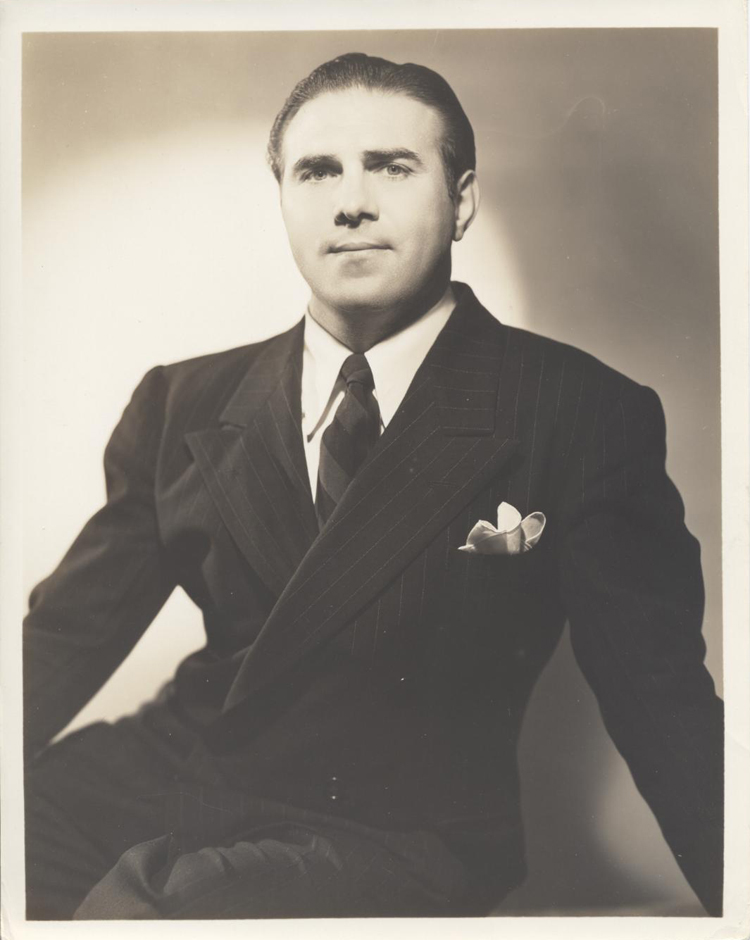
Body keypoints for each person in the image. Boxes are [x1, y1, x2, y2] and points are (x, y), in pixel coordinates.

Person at [23, 51, 724, 920]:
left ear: (461, 202)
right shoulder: (185, 400)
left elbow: (660, 697)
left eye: (392, 167)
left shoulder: (576, 410)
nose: (350, 202)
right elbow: (62, 637)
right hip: (182, 772)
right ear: (284, 200)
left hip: (390, 830)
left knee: (146, 914)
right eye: (317, 171)